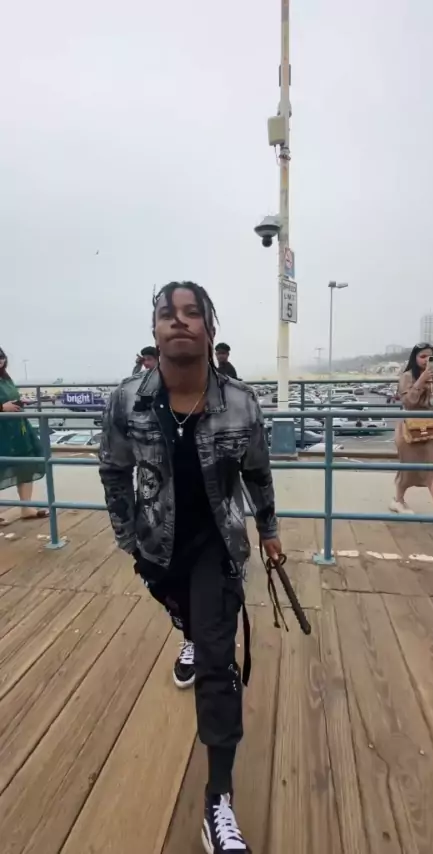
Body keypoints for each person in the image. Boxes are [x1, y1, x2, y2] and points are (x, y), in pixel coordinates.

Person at [99, 281, 280, 853]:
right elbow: (113, 469)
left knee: (217, 665)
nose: (178, 321)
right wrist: (126, 536)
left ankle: (217, 799)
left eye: (191, 313)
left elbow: (258, 473)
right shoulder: (126, 402)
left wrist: (269, 531)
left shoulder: (241, 403)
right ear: (154, 331)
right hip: (157, 550)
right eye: (166, 313)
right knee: (192, 621)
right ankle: (192, 630)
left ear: (209, 328)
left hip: (217, 548)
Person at [390, 343, 433, 522]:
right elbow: (408, 402)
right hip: (410, 429)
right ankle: (398, 500)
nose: (425, 360)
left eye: (429, 357)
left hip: (430, 427)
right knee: (408, 468)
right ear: (414, 358)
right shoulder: (407, 376)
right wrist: (421, 381)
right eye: (422, 356)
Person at [0, 348, 48, 525]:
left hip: (17, 428)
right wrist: (2, 408)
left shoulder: (5, 378)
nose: (0, 361)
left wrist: (19, 402)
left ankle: (26, 507)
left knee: (26, 463)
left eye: (2, 357)